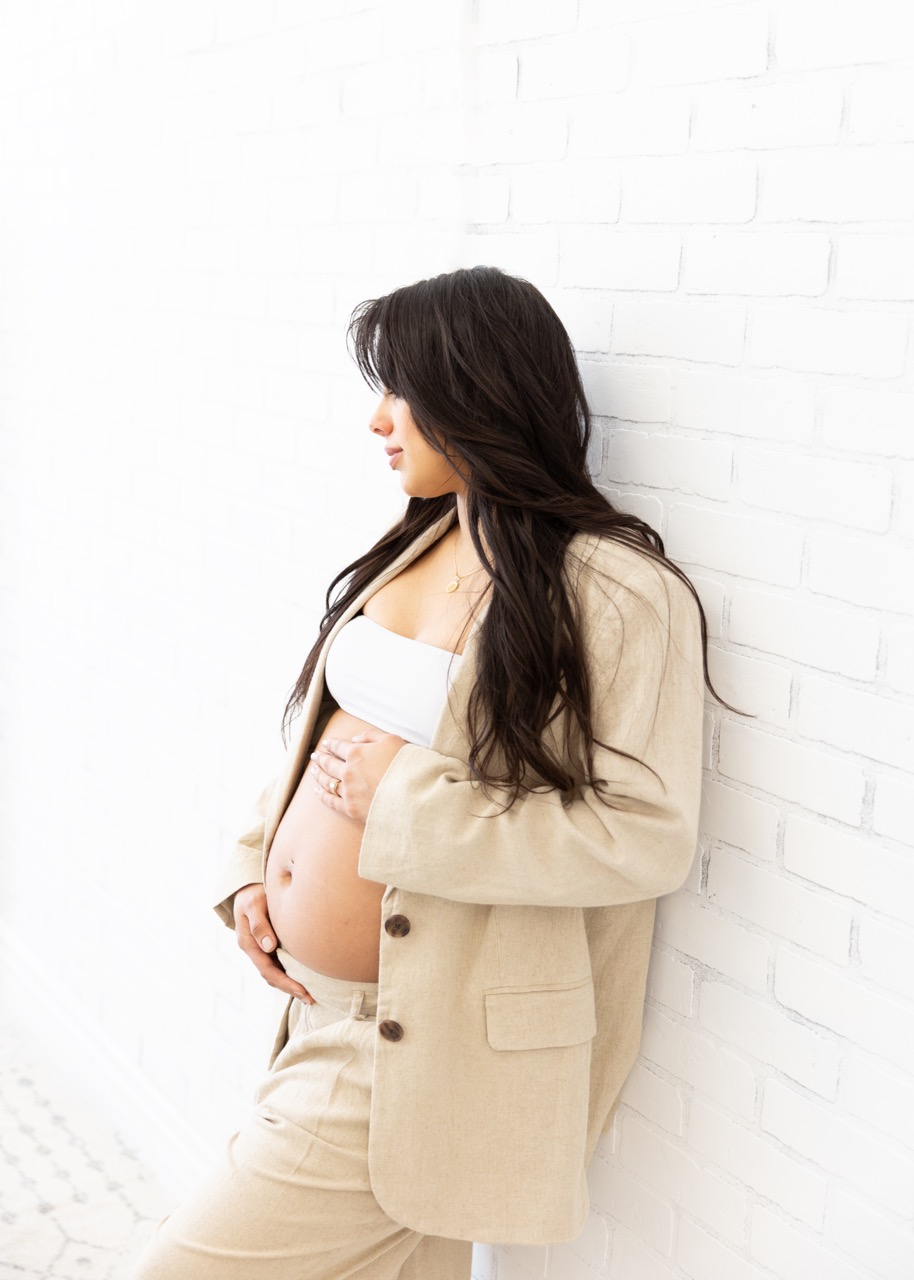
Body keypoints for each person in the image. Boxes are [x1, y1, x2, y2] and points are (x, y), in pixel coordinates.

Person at [131, 265, 709, 1279]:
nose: (376, 420)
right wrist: (255, 867)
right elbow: (334, 740)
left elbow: (641, 834)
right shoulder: (425, 539)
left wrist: (398, 809)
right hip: (319, 1009)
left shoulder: (614, 590)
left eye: (400, 389)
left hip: (418, 1045)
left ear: (477, 392)